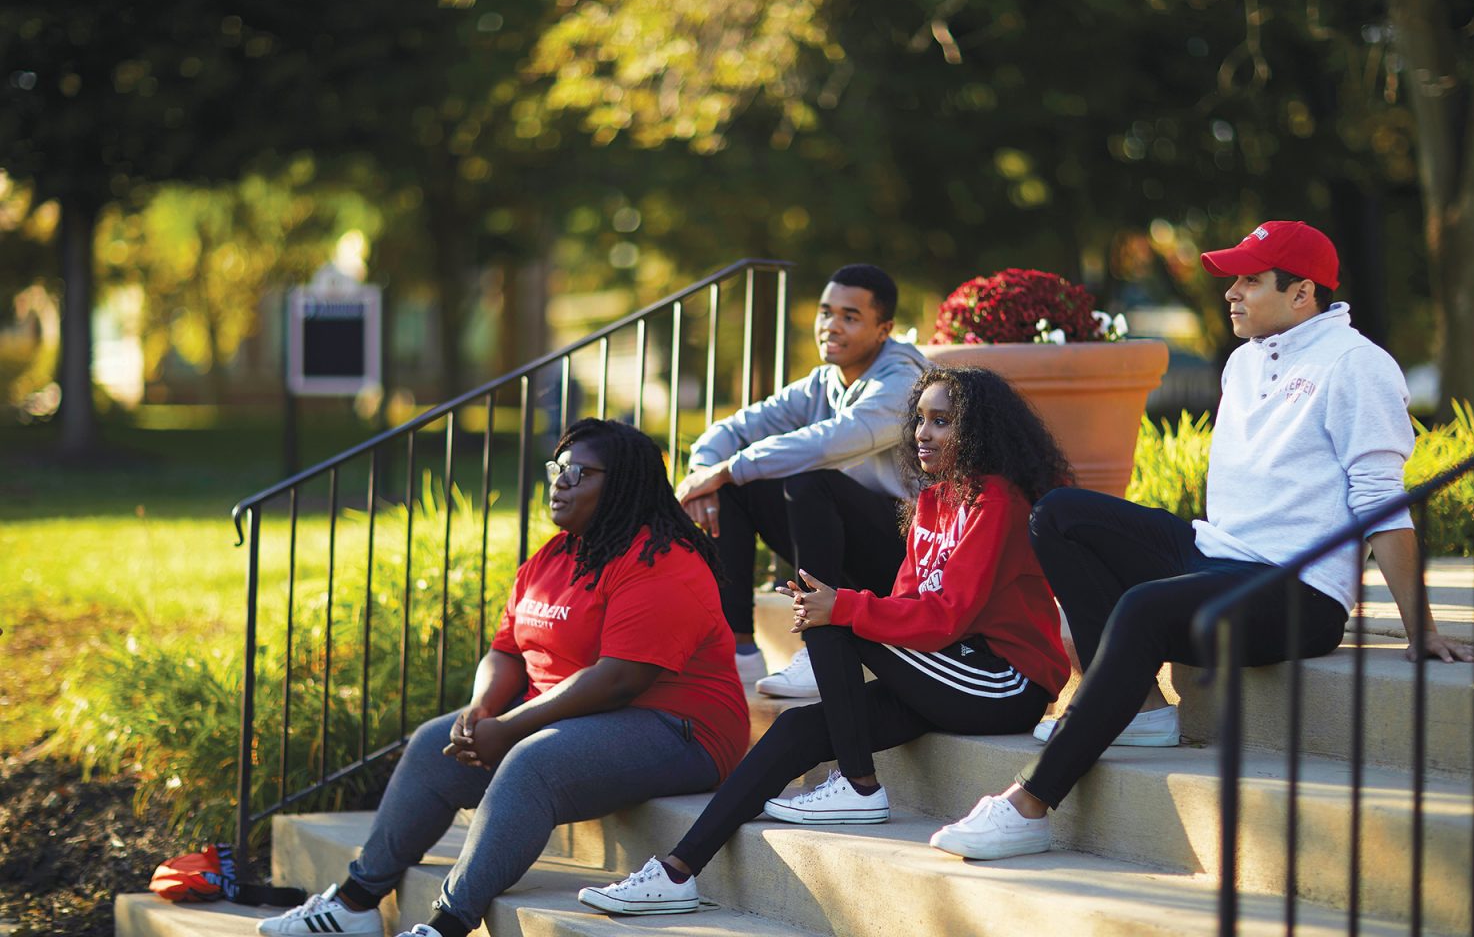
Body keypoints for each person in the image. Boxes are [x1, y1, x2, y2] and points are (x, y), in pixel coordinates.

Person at [929, 220, 1474, 862]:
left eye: (1250, 280)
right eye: (1233, 279)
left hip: (1296, 591)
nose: (1231, 293)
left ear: (1302, 293)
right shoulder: (1245, 362)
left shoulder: (1358, 367)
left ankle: (1029, 805)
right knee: (1059, 514)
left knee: (1144, 609)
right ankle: (1139, 707)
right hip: (1217, 551)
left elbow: (1382, 504)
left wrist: (1424, 631)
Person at [576, 366, 1073, 915]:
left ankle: (860, 786)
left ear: (979, 432)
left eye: (942, 422)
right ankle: (677, 871)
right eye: (920, 421)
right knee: (796, 726)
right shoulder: (932, 502)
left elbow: (945, 618)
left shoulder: (996, 501)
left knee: (835, 616)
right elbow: (910, 602)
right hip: (946, 671)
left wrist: (843, 608)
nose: (922, 434)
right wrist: (842, 609)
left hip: (1002, 680)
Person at [255, 419, 748, 937]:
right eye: (558, 467)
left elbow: (619, 680)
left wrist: (511, 727)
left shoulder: (662, 559)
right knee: (432, 744)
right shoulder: (555, 555)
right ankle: (355, 904)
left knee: (533, 761)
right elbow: (506, 649)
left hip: (678, 728)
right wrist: (481, 709)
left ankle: (446, 926)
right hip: (576, 716)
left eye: (580, 472)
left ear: (624, 482)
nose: (560, 481)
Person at [676, 263, 930, 698]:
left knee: (808, 480)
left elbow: (831, 441)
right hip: (845, 545)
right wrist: (706, 473)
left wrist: (727, 468)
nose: (830, 326)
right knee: (736, 487)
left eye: (850, 317)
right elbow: (737, 427)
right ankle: (738, 651)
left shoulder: (906, 382)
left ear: (883, 328)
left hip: (905, 556)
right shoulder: (822, 382)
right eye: (825, 312)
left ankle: (824, 652)